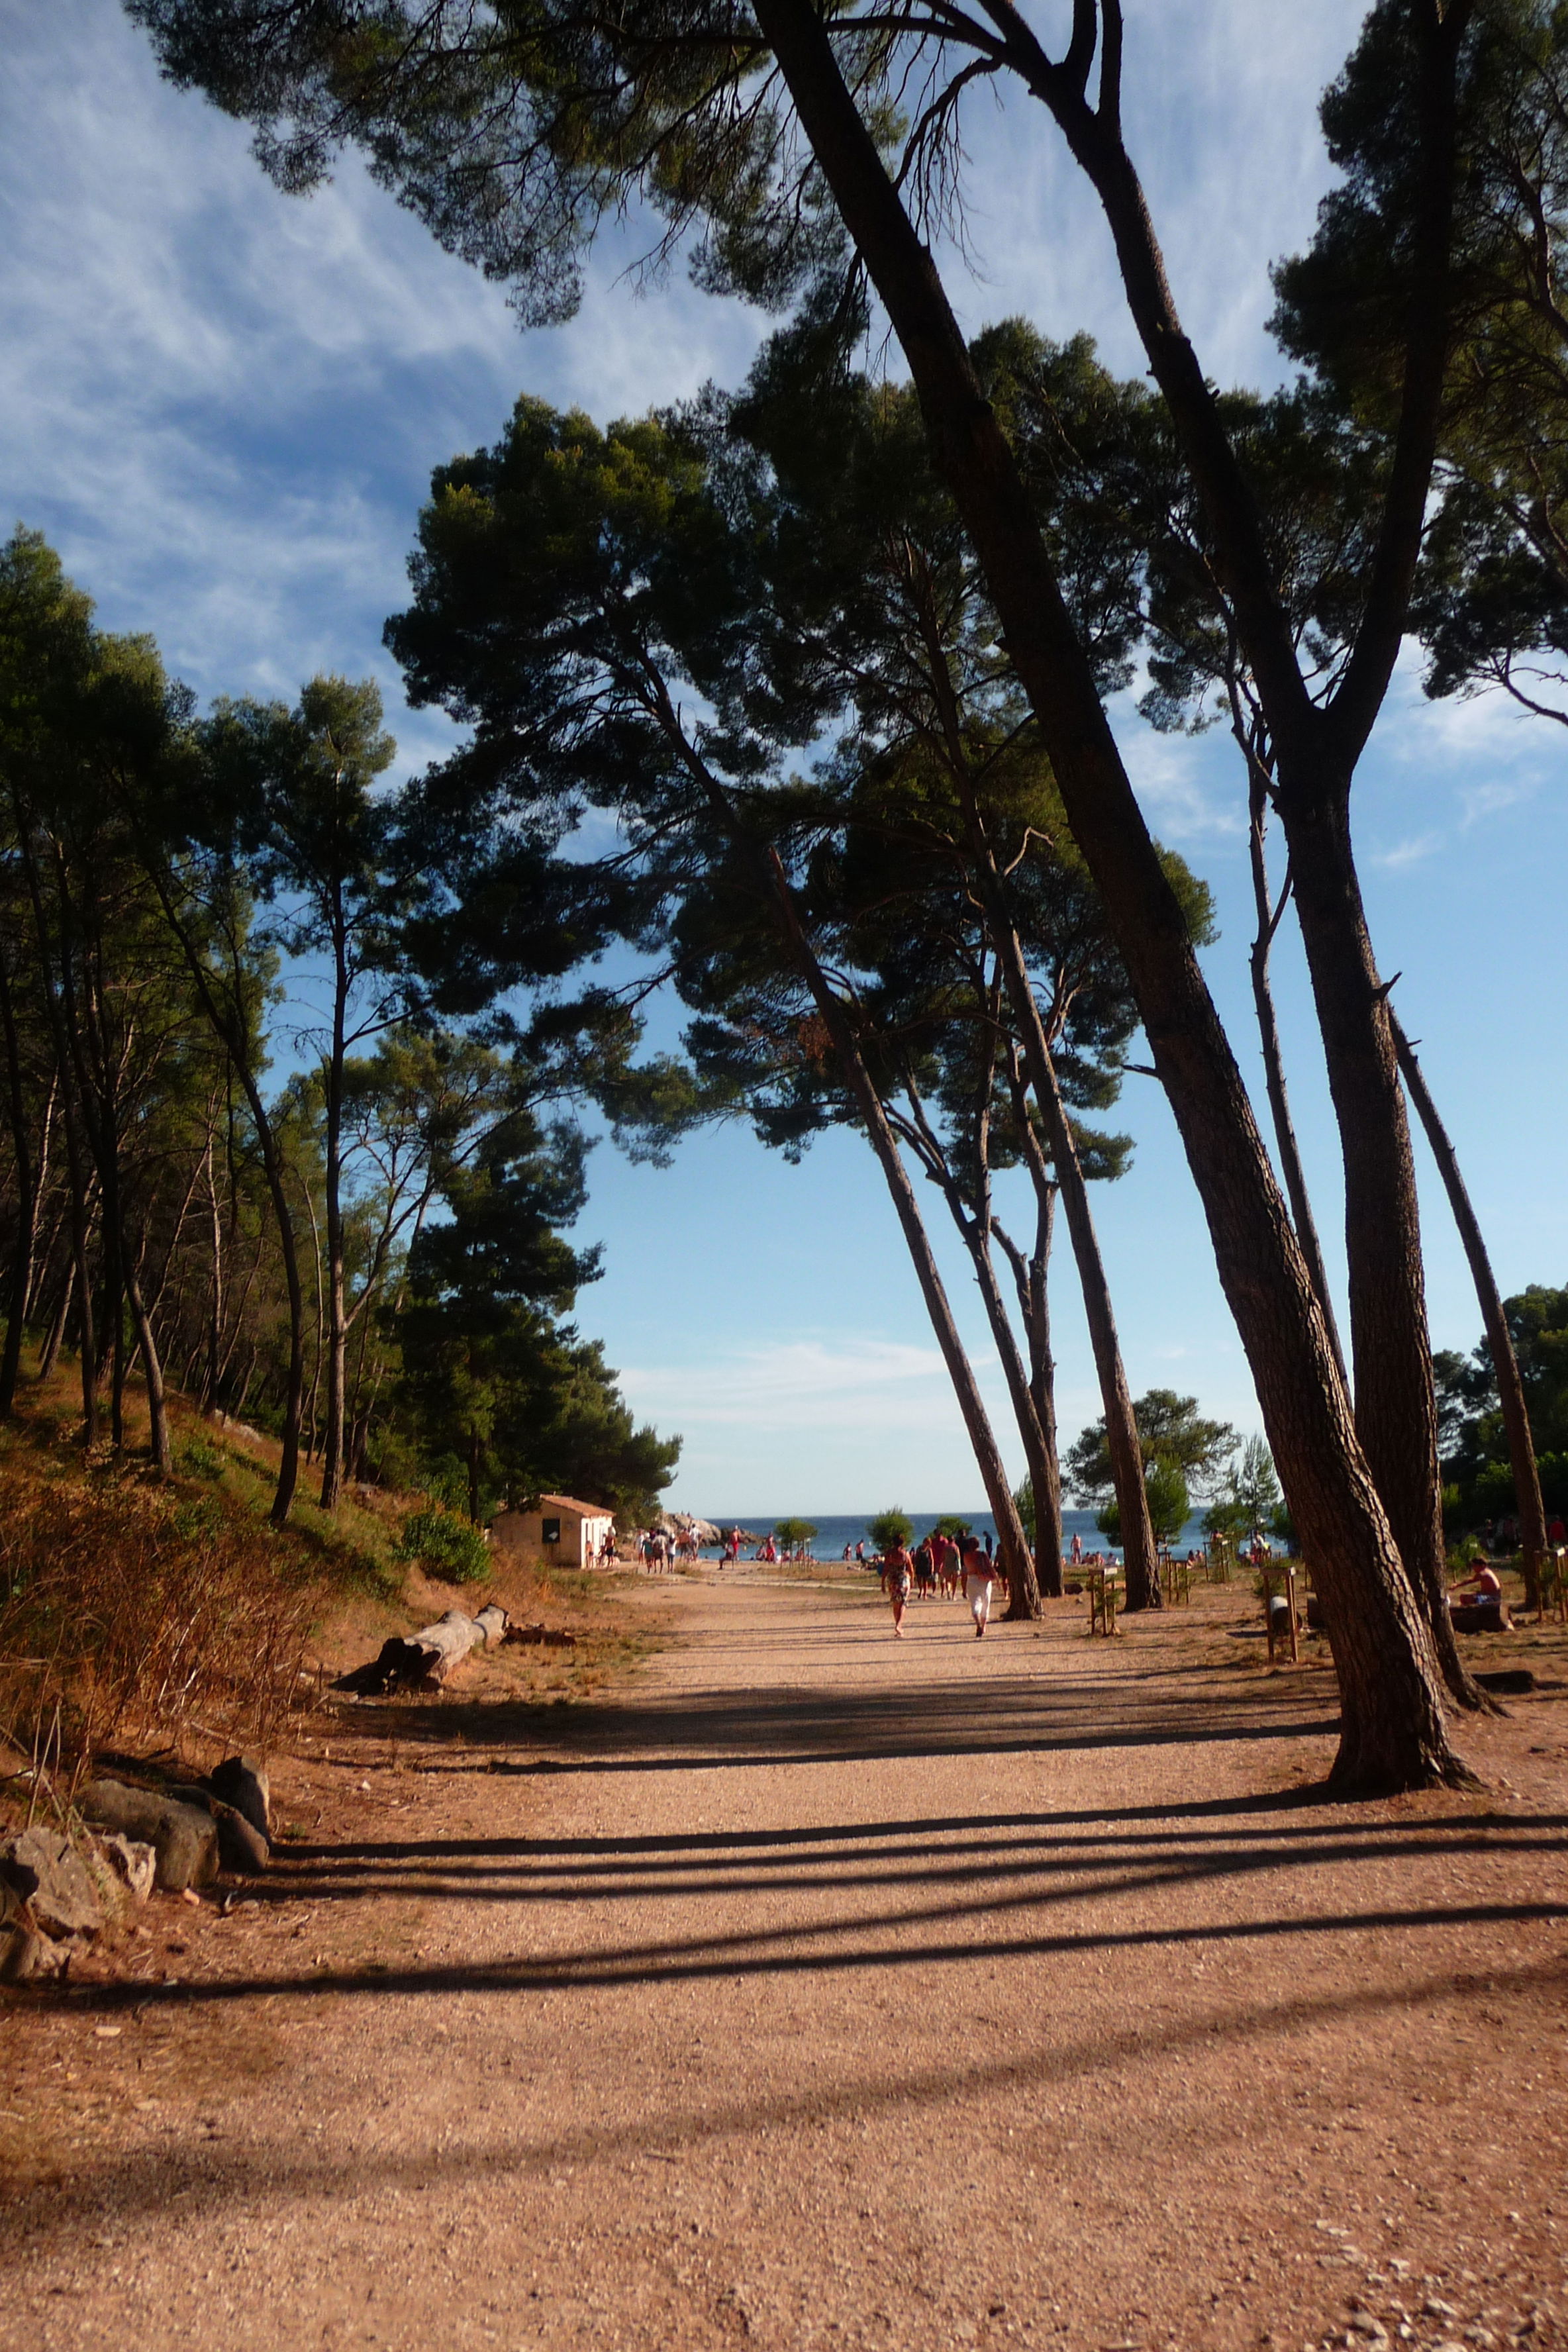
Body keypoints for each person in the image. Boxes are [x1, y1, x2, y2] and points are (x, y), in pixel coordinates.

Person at [961, 1538, 996, 1638]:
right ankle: (984, 1626)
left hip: (971, 1579)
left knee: (975, 1603)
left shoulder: (966, 1555)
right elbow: (989, 1566)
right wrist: (995, 1576)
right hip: (984, 1580)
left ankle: (978, 1624)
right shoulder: (982, 1554)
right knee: (986, 1602)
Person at [885, 1538, 914, 1636]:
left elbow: (885, 1569)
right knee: (903, 1602)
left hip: (893, 1579)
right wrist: (913, 1580)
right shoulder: (905, 1554)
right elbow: (911, 1568)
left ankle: (898, 1626)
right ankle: (899, 1624)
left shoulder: (889, 1554)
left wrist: (882, 1583)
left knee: (895, 1603)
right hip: (903, 1579)